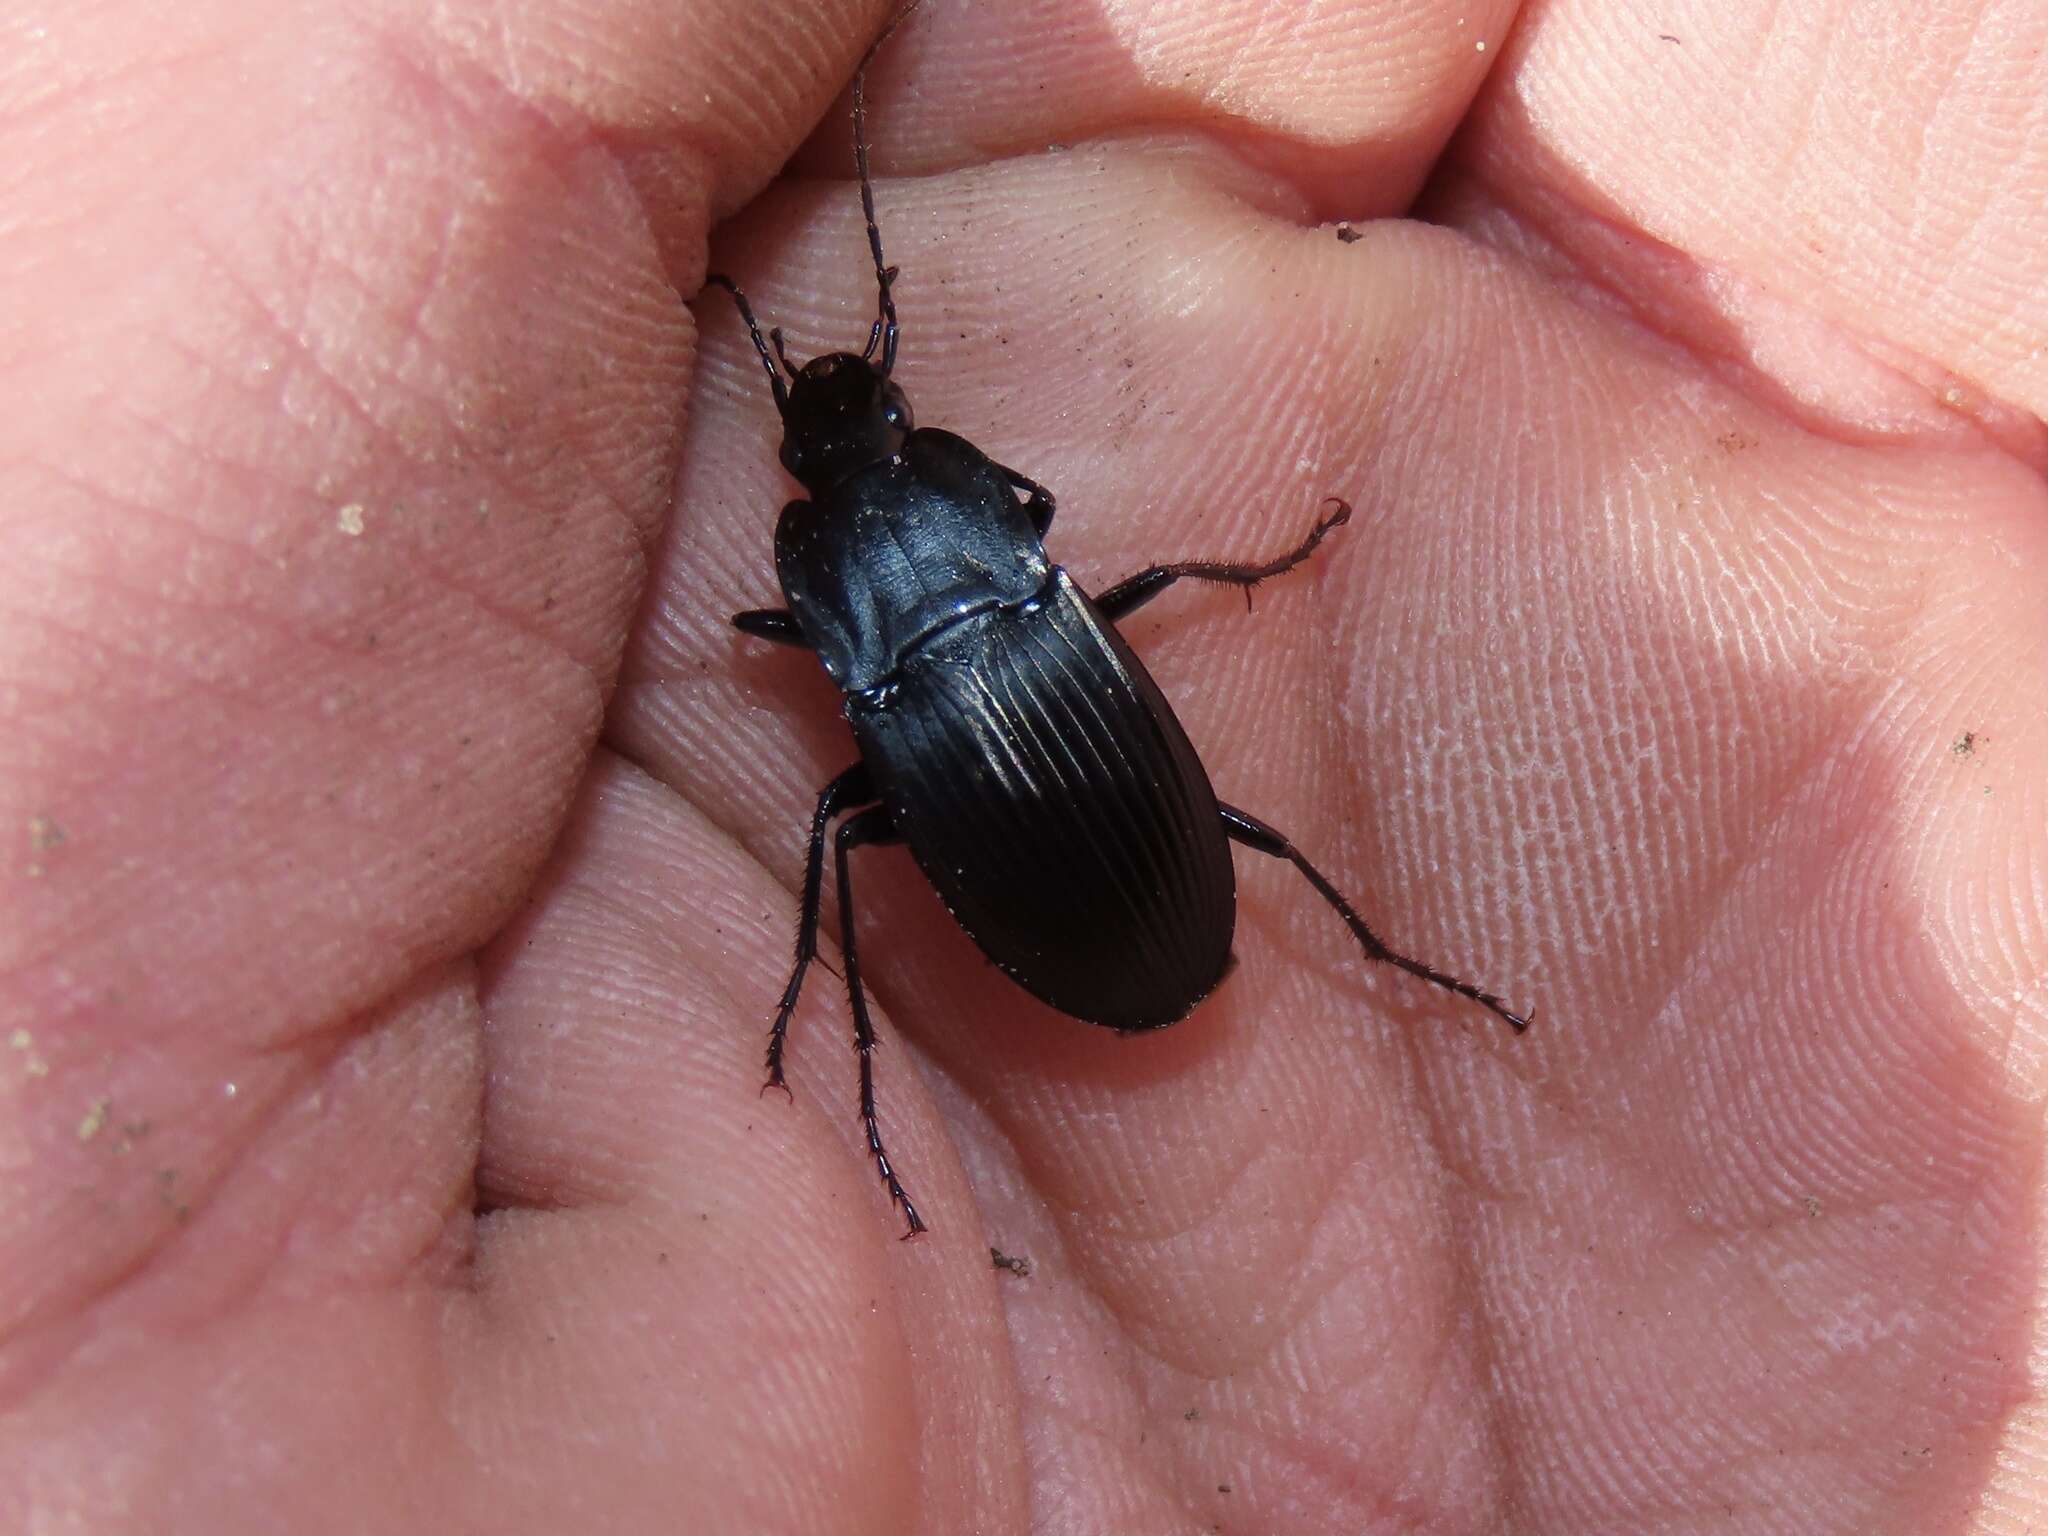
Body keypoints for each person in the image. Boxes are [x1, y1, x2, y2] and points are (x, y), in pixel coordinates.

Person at [2, 1, 2041, 1530]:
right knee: (1145, 821)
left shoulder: (833, 615)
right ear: (930, 476)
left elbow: (778, 636)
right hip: (1040, 767)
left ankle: (953, 1016)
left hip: (988, 798)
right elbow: (1001, 531)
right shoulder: (999, 538)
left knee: (857, 815)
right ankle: (1278, 974)